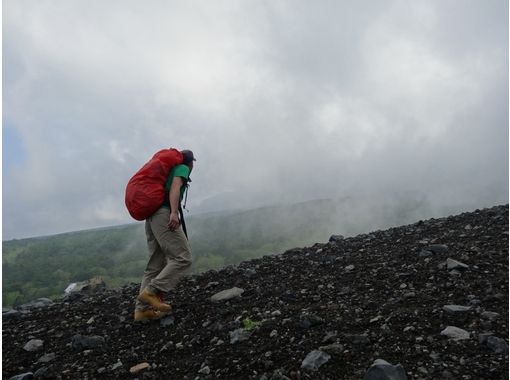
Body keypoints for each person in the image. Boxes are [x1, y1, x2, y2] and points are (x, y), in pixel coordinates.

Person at [134, 149, 196, 322]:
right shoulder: (182, 168)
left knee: (154, 264)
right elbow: (175, 187)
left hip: (152, 216)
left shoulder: (168, 171)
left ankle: (141, 312)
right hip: (164, 214)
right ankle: (151, 292)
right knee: (183, 257)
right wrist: (174, 213)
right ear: (190, 162)